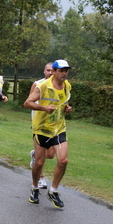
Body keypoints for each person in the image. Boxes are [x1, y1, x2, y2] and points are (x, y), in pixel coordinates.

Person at [23, 59, 72, 208]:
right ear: (55, 71)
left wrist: (67, 109)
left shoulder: (67, 86)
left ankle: (54, 191)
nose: (64, 74)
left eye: (66, 71)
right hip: (42, 129)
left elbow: (62, 103)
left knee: (63, 161)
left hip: (59, 129)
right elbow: (27, 103)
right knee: (40, 162)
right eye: (61, 71)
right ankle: (34, 187)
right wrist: (44, 108)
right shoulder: (42, 86)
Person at [29, 62, 55, 189]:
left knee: (50, 155)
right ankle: (41, 178)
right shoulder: (37, 84)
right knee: (42, 157)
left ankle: (35, 154)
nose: (50, 73)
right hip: (39, 124)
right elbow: (29, 102)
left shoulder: (59, 86)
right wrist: (43, 109)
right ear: (44, 71)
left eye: (52, 70)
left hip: (53, 125)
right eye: (48, 70)